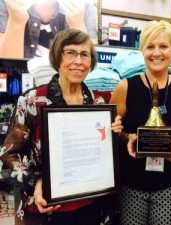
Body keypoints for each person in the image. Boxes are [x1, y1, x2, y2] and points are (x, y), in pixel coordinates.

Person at [0, 28, 122, 225]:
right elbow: (7, 156)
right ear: (58, 57)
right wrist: (36, 181)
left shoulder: (100, 104)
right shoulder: (33, 102)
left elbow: (105, 155)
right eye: (71, 53)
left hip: (91, 205)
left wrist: (116, 134)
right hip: (47, 207)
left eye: (85, 55)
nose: (79, 61)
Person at [109, 20, 171, 225]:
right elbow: (112, 131)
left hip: (169, 185)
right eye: (150, 46)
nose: (156, 53)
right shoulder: (125, 88)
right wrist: (128, 137)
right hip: (131, 184)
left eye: (163, 46)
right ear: (142, 50)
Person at [0, 0, 98, 59]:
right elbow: (6, 68)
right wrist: (16, 21)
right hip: (22, 86)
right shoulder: (8, 3)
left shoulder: (84, 7)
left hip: (67, 87)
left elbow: (92, 67)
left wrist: (77, 24)